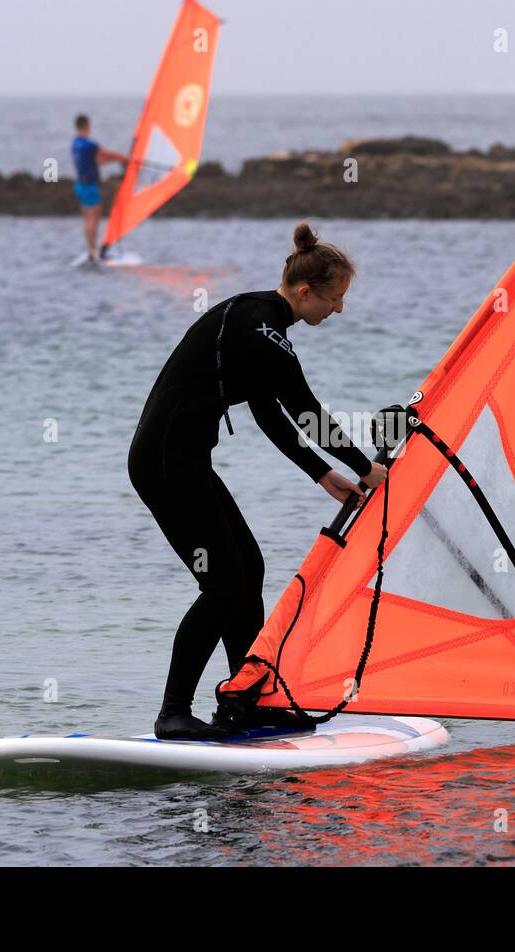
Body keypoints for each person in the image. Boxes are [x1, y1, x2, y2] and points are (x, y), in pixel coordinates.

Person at [128, 223, 388, 740]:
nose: (338, 310)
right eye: (335, 299)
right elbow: (306, 412)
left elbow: (269, 412)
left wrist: (321, 474)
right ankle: (173, 712)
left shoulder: (255, 318)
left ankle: (246, 701)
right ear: (305, 291)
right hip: (165, 465)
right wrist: (364, 468)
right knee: (224, 582)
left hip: (182, 461)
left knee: (247, 568)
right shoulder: (263, 331)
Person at [70, 114, 127, 263]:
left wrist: (116, 159)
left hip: (80, 186)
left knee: (88, 220)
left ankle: (91, 250)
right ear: (87, 126)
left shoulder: (76, 144)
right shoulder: (89, 145)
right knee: (93, 220)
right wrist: (122, 157)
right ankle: (93, 252)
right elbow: (106, 154)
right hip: (89, 186)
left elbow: (99, 161)